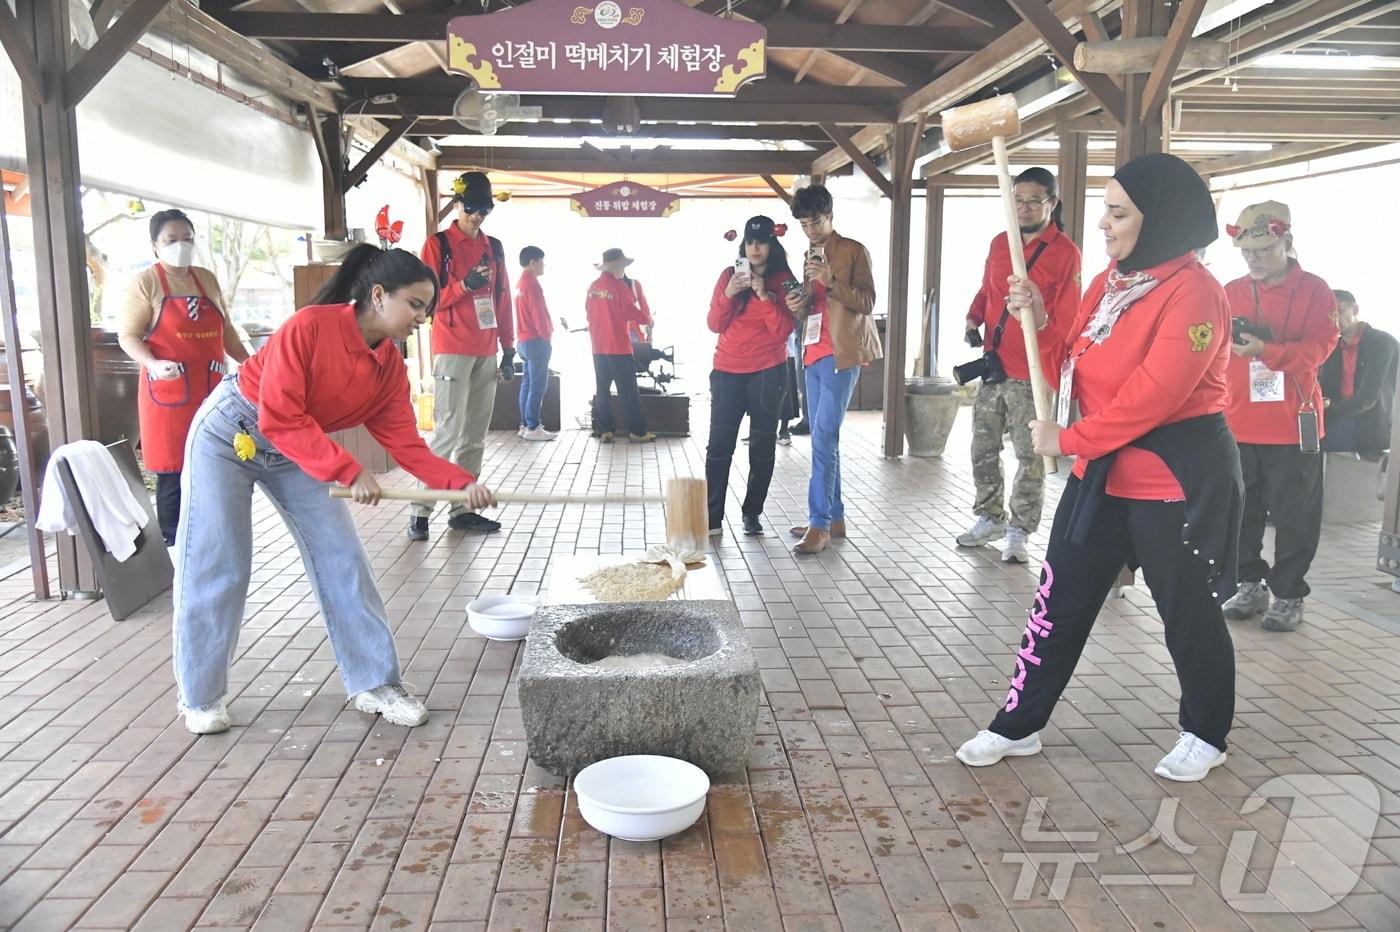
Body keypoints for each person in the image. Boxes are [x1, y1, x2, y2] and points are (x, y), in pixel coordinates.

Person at [956, 153, 1241, 783]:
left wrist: (1067, 439)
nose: (1104, 226)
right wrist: (1038, 315)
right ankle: (1019, 723)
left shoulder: (1196, 293)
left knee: (1185, 610)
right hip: (1102, 470)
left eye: (1118, 213)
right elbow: (1069, 359)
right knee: (1058, 600)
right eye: (1105, 211)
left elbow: (1154, 397)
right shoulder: (1113, 281)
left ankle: (1206, 731)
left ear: (1159, 218)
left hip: (1172, 480)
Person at [172, 245, 494, 735]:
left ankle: (376, 683)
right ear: (379, 295)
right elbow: (280, 415)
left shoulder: (388, 368)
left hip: (297, 447)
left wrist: (461, 484)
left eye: (426, 309)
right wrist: (347, 471)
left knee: (343, 558)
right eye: (415, 305)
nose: (422, 319)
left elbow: (407, 445)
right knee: (220, 562)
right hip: (229, 433)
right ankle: (200, 697)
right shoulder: (309, 327)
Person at [1220, 201, 1338, 633]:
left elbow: (1320, 350)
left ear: (1286, 242)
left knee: (1295, 516)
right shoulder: (1229, 290)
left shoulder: (1315, 291)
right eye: (1246, 251)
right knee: (1240, 513)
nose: (1253, 258)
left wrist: (1267, 352)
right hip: (1237, 422)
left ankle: (1288, 593)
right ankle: (1249, 583)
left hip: (1294, 423)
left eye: (1263, 249)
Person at [956, 167, 1083, 563]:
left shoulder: (1065, 252)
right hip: (994, 367)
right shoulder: (1000, 243)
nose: (1024, 208)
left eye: (1034, 201)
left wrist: (1041, 320)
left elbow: (1070, 317)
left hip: (1034, 371)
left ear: (1052, 204)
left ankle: (1019, 529)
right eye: (1018, 200)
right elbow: (986, 288)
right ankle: (989, 516)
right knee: (983, 446)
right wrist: (973, 316)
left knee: (1031, 455)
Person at [118, 208, 250, 546]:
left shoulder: (206, 278)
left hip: (212, 389)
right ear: (155, 246)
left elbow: (227, 331)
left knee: (215, 465)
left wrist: (251, 363)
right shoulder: (145, 283)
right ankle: (175, 547)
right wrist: (152, 363)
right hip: (168, 394)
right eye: (171, 240)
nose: (181, 245)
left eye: (187, 239)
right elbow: (128, 336)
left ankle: (212, 542)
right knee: (173, 472)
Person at [408, 171, 514, 541]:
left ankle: (463, 510)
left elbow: (503, 298)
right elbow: (429, 298)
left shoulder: (494, 247)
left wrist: (510, 347)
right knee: (447, 432)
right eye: (472, 210)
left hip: (486, 350)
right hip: (452, 348)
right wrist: (464, 285)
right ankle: (421, 509)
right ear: (456, 205)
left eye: (484, 211)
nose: (478, 217)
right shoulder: (438, 245)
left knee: (474, 437)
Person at [783, 184, 880, 555]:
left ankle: (819, 525)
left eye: (816, 221)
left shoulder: (853, 250)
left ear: (830, 215)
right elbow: (812, 307)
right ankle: (833, 516)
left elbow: (868, 301)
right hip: (811, 352)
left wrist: (830, 281)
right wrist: (799, 303)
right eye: (804, 224)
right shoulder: (808, 253)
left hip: (842, 353)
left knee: (823, 437)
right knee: (825, 438)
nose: (810, 230)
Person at [706, 216, 798, 537]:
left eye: (761, 242)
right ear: (743, 245)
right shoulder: (729, 275)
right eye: (750, 242)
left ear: (772, 245)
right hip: (727, 370)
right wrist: (729, 293)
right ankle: (712, 518)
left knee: (762, 446)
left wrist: (763, 297)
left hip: (767, 371)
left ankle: (752, 513)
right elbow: (714, 324)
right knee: (719, 446)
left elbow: (784, 330)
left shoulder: (785, 280)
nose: (755, 248)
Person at [586, 248, 655, 443]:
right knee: (628, 391)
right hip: (618, 347)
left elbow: (588, 314)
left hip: (598, 347)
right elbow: (630, 312)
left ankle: (606, 429)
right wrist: (648, 320)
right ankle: (637, 431)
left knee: (602, 390)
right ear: (616, 267)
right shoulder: (619, 288)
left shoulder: (593, 287)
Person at [1320, 290, 1397, 456]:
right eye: (1329, 315)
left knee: (1367, 478)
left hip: (1374, 426)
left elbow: (1369, 397)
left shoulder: (1380, 343)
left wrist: (1327, 412)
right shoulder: (1332, 347)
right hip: (1340, 423)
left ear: (1354, 310)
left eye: (1339, 311)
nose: (1334, 319)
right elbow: (1324, 386)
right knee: (1336, 475)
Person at [514, 245, 555, 442]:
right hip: (536, 340)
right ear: (533, 262)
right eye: (542, 261)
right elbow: (538, 313)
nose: (544, 265)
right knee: (538, 386)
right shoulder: (531, 284)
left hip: (523, 340)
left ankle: (524, 425)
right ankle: (533, 426)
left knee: (527, 383)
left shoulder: (520, 284)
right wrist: (546, 335)